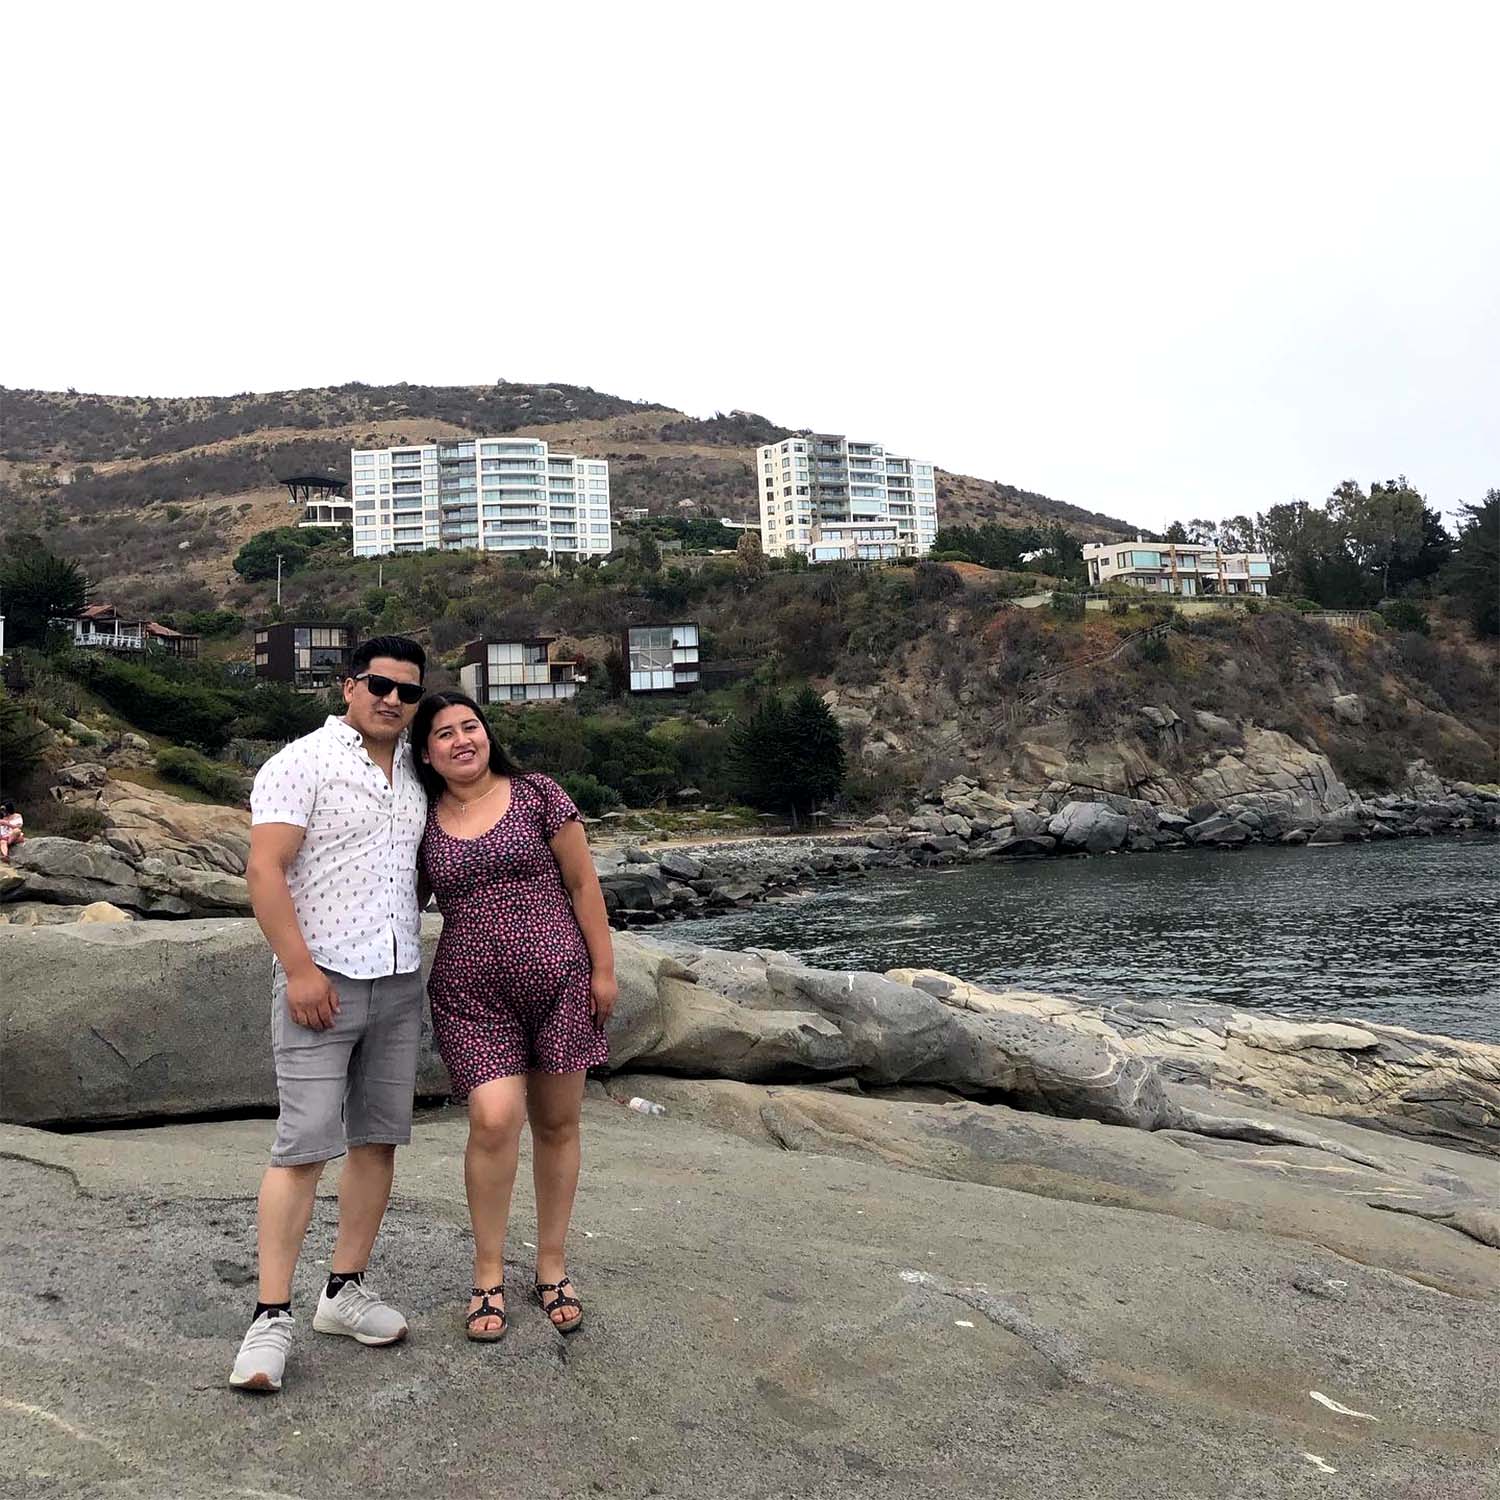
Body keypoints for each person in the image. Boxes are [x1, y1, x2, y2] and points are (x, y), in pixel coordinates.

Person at [229, 636, 430, 1393]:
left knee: (376, 1141)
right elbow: (264, 869)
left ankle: (343, 1291)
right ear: (349, 686)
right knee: (302, 1148)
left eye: (408, 692)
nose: (393, 700)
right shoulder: (301, 762)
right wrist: (300, 971)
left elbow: (414, 871)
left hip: (398, 982)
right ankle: (270, 1316)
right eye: (380, 685)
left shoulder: (417, 771)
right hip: (322, 982)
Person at [410, 690, 616, 1342]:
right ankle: (488, 1273)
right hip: (472, 998)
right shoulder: (421, 819)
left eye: (469, 726)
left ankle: (551, 1266)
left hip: (560, 983)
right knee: (495, 1119)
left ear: (486, 733)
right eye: (444, 733)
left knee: (557, 1123)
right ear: (426, 753)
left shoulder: (538, 794)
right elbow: (399, 899)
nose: (461, 740)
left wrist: (603, 970)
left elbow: (583, 884)